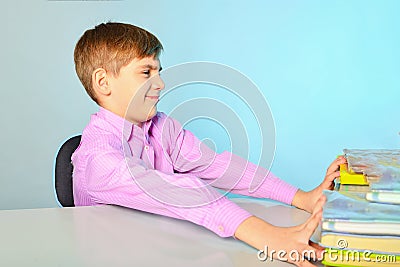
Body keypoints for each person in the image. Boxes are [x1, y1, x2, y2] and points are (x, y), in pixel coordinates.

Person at [72, 22, 346, 266]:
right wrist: (269, 236)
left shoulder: (161, 127)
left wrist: (301, 198)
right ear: (103, 82)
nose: (160, 83)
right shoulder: (97, 158)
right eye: (146, 72)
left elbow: (219, 166)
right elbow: (173, 191)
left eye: (159, 71)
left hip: (164, 248)